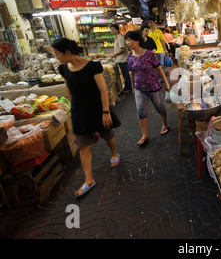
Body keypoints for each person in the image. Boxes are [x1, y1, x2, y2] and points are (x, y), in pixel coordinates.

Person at [51, 38, 120, 198]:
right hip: (79, 112)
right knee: (83, 145)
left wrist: (105, 111)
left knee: (106, 134)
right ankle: (89, 179)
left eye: (57, 54)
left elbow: (103, 90)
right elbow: (69, 90)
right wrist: (70, 109)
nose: (57, 58)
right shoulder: (64, 69)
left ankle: (114, 152)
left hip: (96, 108)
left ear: (67, 52)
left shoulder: (92, 66)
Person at [125, 30, 171, 147]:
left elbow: (159, 69)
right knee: (141, 111)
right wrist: (133, 87)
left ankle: (164, 124)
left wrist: (166, 83)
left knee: (160, 107)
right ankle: (144, 135)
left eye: (130, 40)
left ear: (137, 41)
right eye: (127, 40)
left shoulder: (149, 54)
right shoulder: (129, 57)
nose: (128, 43)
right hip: (139, 88)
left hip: (153, 86)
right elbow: (132, 73)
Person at [109, 24, 132, 94]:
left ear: (117, 30)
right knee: (124, 74)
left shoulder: (120, 38)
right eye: (111, 29)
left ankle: (129, 88)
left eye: (113, 29)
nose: (112, 30)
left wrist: (114, 54)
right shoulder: (116, 38)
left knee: (125, 74)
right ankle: (127, 87)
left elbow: (122, 49)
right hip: (119, 59)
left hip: (122, 59)